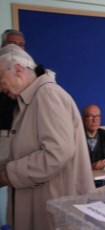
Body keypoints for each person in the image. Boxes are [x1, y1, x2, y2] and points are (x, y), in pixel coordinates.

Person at [0, 44, 95, 230]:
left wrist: (9, 175)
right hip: (43, 200)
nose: (0, 87)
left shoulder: (47, 94)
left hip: (54, 205)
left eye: (0, 78)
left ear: (18, 70)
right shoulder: (29, 100)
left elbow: (57, 152)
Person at [0, 29, 26, 226]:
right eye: (12, 44)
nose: (16, 49)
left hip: (23, 141)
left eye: (20, 45)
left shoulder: (32, 78)